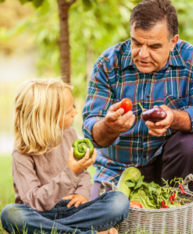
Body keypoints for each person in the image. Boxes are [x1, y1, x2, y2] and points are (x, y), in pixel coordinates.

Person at [82, 0, 193, 199]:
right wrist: (109, 125)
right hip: (117, 168)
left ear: (173, 42)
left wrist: (173, 118)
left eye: (154, 46)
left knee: (191, 145)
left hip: (167, 166)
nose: (143, 54)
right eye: (136, 43)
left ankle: (176, 204)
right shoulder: (107, 64)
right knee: (102, 223)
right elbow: (91, 132)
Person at [0, 79, 129, 234]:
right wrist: (70, 172)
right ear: (48, 118)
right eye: (69, 111)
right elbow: (34, 202)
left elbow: (83, 174)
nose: (75, 112)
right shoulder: (21, 152)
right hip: (41, 213)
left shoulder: (70, 134)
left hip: (74, 210)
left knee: (119, 201)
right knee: (11, 214)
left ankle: (57, 230)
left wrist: (82, 193)